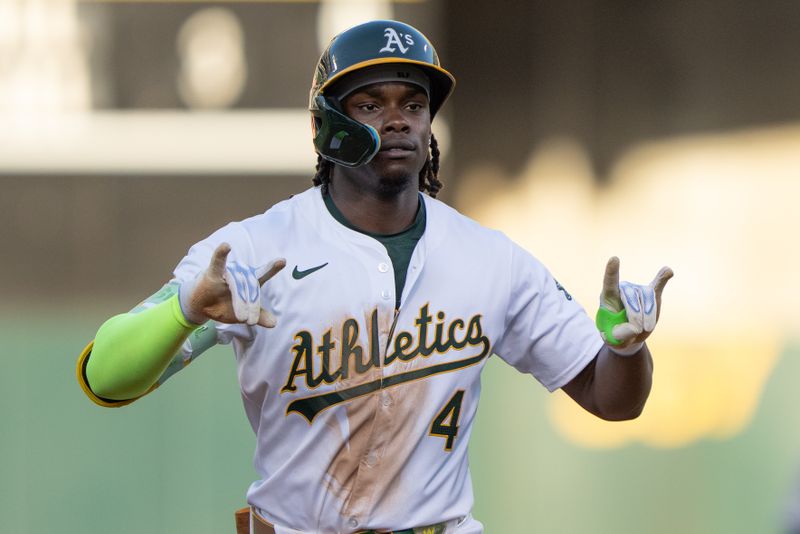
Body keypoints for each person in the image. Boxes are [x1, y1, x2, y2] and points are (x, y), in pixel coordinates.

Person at [76, 19, 673, 534]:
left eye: (413, 105)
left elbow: (609, 398)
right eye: (370, 105)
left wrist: (626, 352)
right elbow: (104, 376)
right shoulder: (256, 249)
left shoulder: (491, 258)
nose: (399, 121)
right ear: (324, 128)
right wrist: (186, 309)